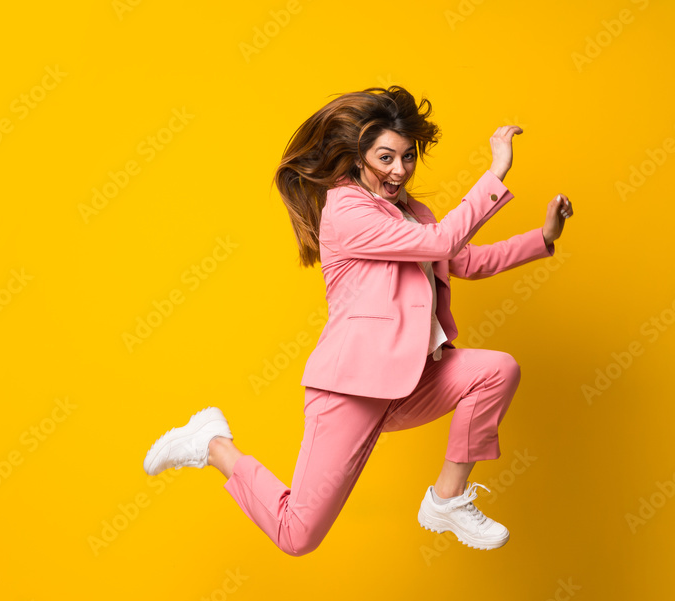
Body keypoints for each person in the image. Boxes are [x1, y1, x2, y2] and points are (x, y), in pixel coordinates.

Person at [142, 86, 573, 557]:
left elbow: (465, 259)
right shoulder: (346, 210)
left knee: (497, 370)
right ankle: (214, 445)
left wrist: (543, 237)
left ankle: (446, 499)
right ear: (359, 156)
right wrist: (495, 173)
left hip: (409, 379)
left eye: (408, 157)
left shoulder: (412, 214)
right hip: (351, 388)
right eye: (385, 157)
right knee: (296, 536)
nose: (399, 169)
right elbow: (446, 242)